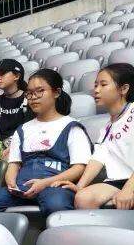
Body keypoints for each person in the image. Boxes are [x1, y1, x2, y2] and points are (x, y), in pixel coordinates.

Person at [0, 69, 93, 216]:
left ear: (56, 92)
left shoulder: (71, 126)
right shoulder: (23, 129)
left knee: (56, 204)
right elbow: (14, 164)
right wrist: (11, 182)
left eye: (40, 91)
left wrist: (45, 183)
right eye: (29, 93)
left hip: (54, 186)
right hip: (22, 188)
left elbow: (79, 167)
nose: (33, 97)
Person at [55, 63, 134, 210]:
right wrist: (80, 186)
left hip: (131, 181)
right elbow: (98, 158)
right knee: (83, 198)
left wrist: (129, 190)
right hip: (118, 180)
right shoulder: (107, 127)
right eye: (96, 85)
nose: (96, 90)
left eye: (103, 85)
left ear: (123, 89)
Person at [0, 59, 34, 153]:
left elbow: (31, 130)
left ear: (16, 76)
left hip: (26, 150)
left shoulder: (30, 100)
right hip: (0, 152)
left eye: (3, 73)